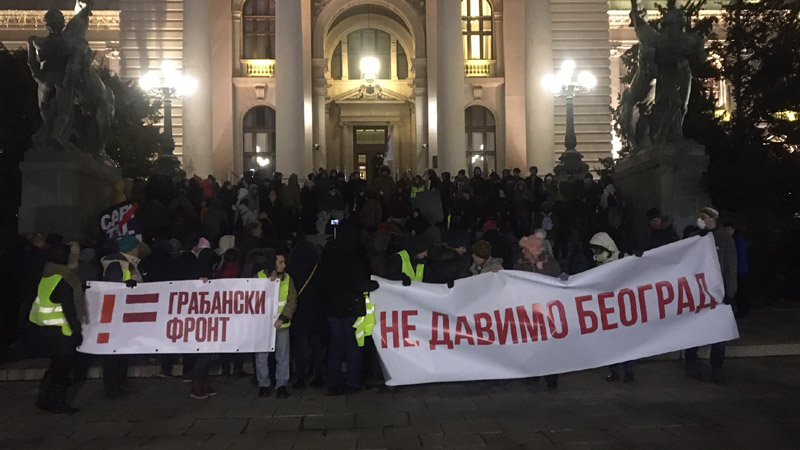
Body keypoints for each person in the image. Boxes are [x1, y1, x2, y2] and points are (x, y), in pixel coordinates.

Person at [319, 221, 379, 395]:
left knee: (336, 345)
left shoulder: (329, 253)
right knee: (353, 345)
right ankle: (353, 381)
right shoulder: (355, 254)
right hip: (351, 306)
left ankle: (333, 383)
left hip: (332, 307)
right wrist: (372, 285)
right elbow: (358, 282)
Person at [28, 242, 85, 413]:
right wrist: (76, 330)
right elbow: (69, 309)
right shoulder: (64, 279)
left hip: (46, 330)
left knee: (55, 367)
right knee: (62, 370)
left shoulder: (47, 276)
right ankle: (57, 402)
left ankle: (44, 398)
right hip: (62, 332)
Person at [685, 206, 737, 383]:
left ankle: (716, 368)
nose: (700, 219)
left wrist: (730, 291)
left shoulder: (724, 239)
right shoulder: (694, 237)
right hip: (699, 292)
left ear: (712, 218)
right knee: (695, 330)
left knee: (719, 334)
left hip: (718, 293)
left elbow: (731, 266)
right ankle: (691, 362)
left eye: (703, 216)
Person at [514, 234, 561, 388]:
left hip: (547, 312)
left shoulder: (550, 265)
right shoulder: (520, 265)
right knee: (532, 343)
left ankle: (551, 376)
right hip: (529, 310)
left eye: (525, 249)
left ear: (532, 250)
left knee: (548, 345)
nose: (522, 253)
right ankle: (532, 374)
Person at [99, 234, 142, 399]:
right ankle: (112, 387)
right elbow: (111, 289)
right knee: (113, 353)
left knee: (121, 350)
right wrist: (125, 287)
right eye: (136, 246)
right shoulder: (117, 265)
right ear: (130, 248)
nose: (139, 249)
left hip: (124, 313)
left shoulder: (128, 263)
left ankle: (120, 382)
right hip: (115, 315)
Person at [588, 232, 635, 382]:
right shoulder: (597, 263)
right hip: (609, 308)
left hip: (624, 306)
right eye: (594, 250)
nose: (596, 253)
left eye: (598, 249)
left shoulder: (623, 258)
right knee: (611, 342)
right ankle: (614, 370)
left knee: (628, 341)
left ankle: (629, 370)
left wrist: (640, 259)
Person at [256, 250, 297, 399]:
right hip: (263, 325)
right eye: (280, 262)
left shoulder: (287, 279)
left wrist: (284, 317)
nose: (284, 265)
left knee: (282, 356)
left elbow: (292, 300)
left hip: (282, 325)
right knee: (261, 356)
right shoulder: (258, 277)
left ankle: (281, 385)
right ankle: (264, 385)